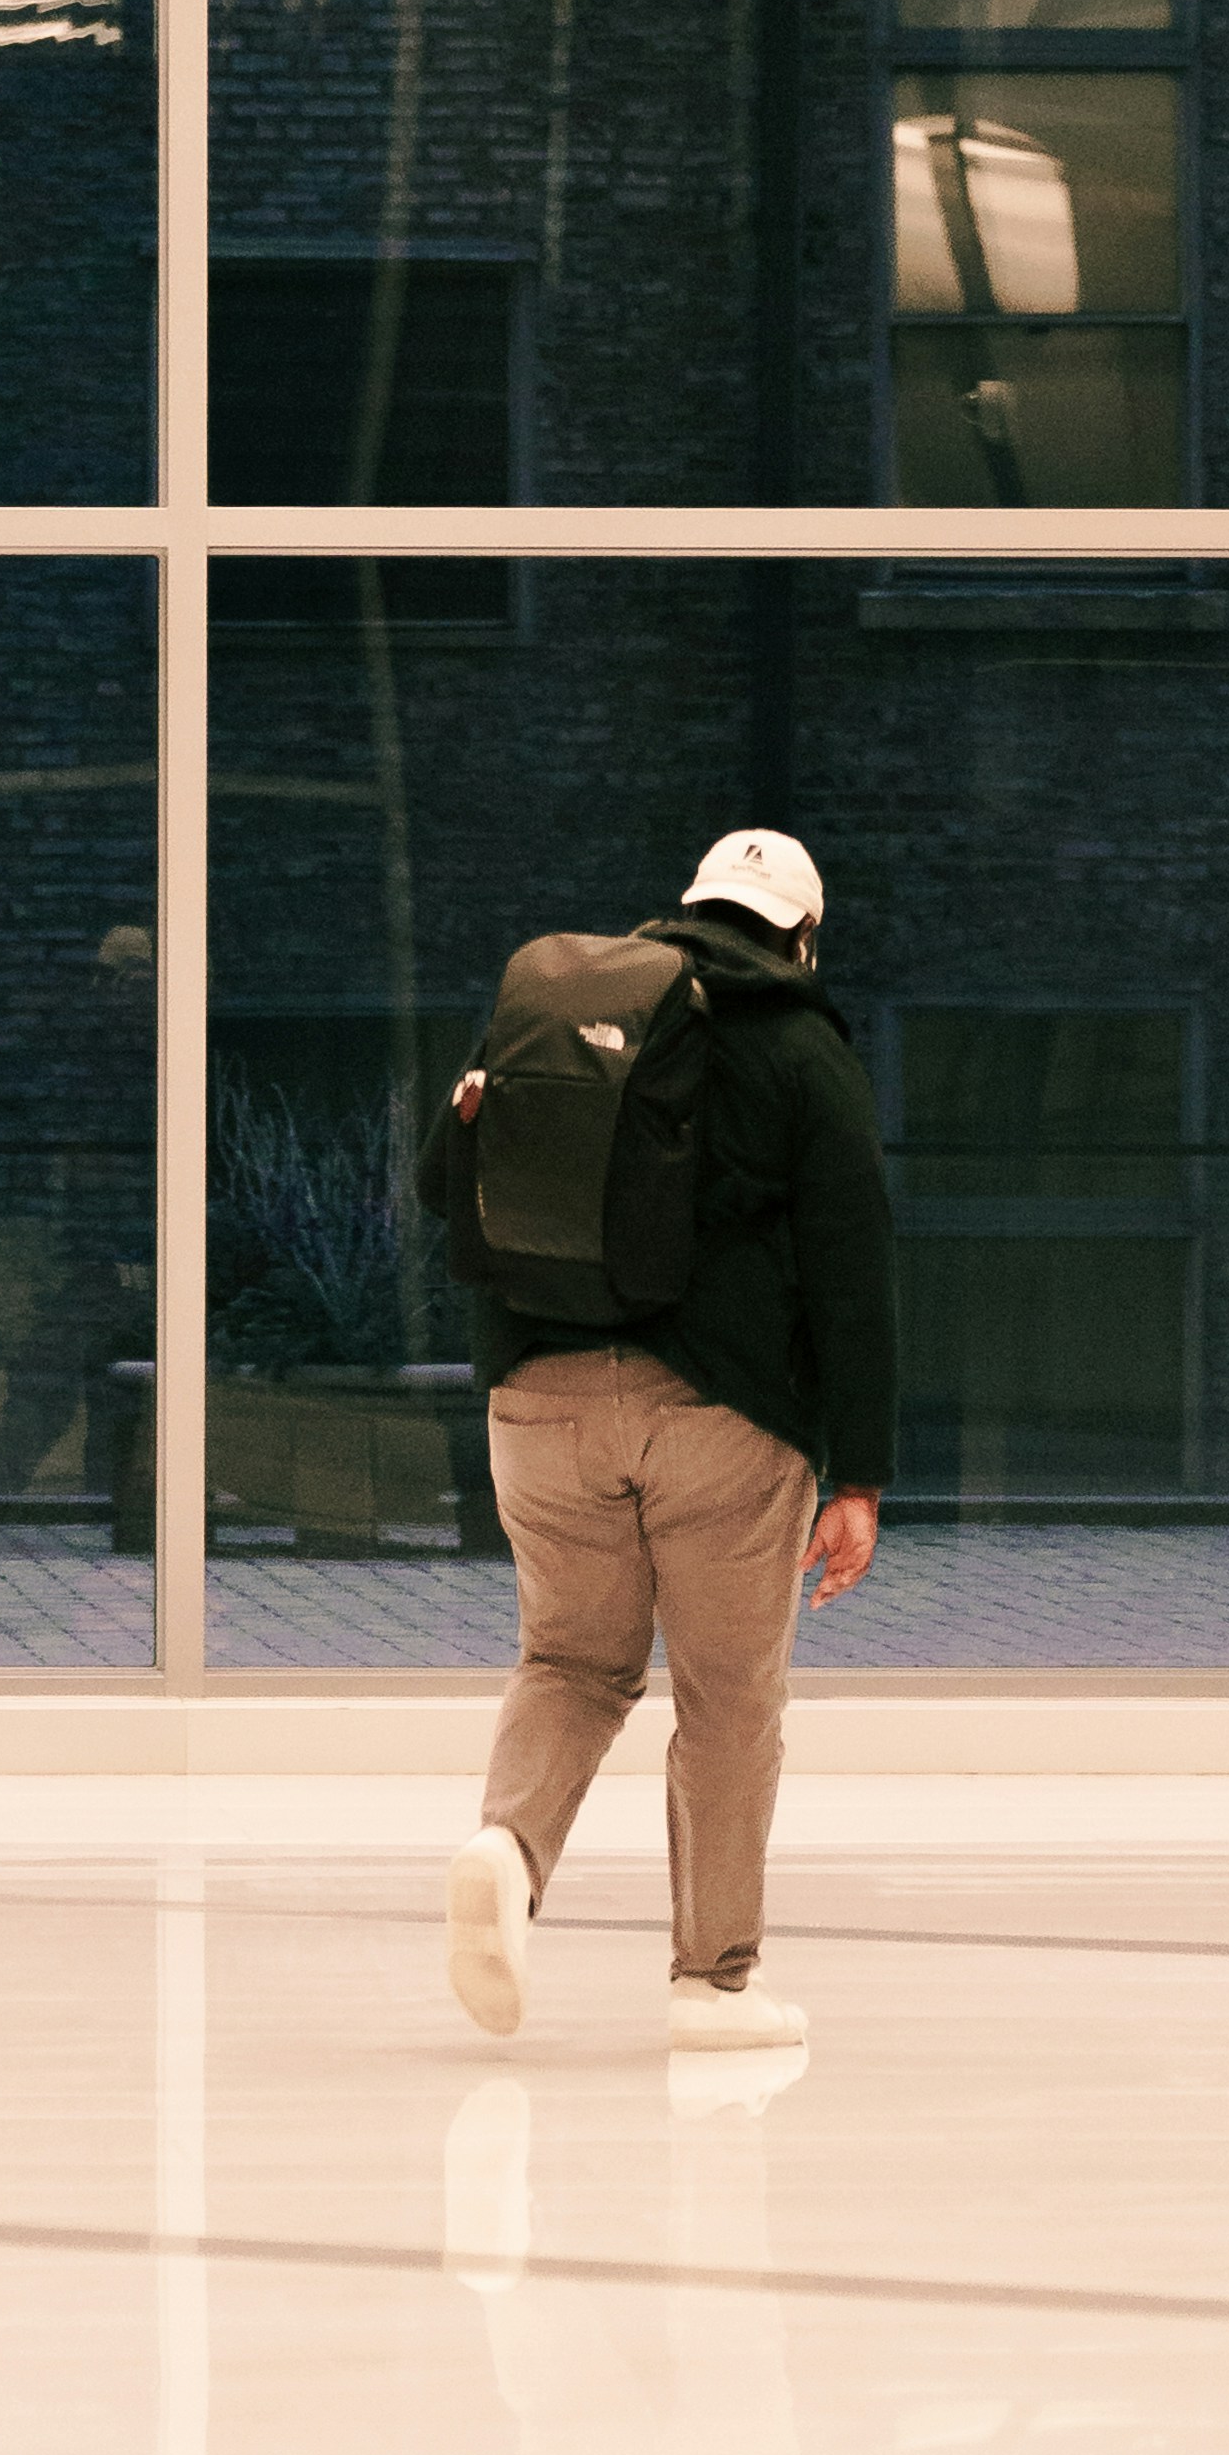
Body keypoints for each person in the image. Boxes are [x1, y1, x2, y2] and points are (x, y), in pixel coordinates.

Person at [431, 825, 896, 2050]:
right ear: (801, 931)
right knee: (728, 1696)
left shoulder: (568, 1016)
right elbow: (855, 1272)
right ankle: (711, 1982)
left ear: (686, 906)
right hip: (722, 1420)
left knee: (570, 1664)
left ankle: (504, 1848)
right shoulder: (802, 1049)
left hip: (539, 1399)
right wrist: (861, 1472)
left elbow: (445, 1180)